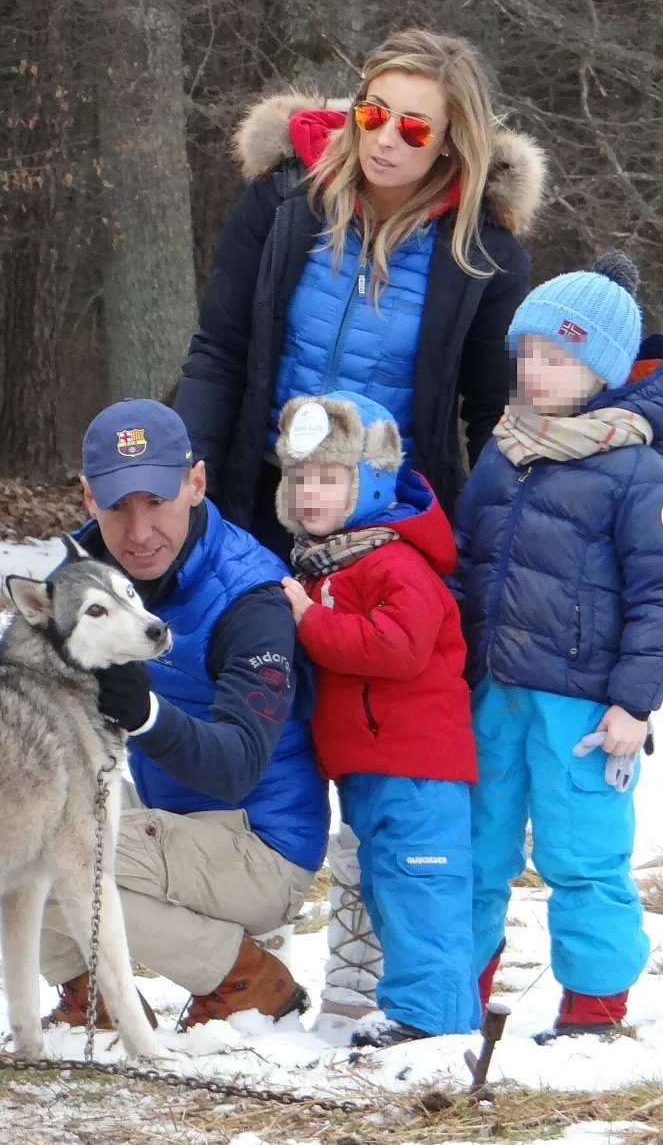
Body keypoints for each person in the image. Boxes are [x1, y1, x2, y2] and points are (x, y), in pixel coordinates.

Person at [174, 27, 546, 1023]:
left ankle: (366, 970)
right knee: (253, 722)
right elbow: (218, 348)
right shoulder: (282, 202)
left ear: (451, 140)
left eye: (413, 126)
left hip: (385, 537)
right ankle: (238, 966)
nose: (384, 139)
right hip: (263, 509)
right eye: (373, 112)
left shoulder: (484, 252)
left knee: (379, 746)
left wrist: (480, 548)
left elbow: (490, 414)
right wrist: (190, 472)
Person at [0, 400, 329, 1031]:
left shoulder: (250, 597)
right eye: (117, 506)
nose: (138, 531)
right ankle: (92, 995)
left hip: (261, 846)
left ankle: (245, 980)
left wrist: (146, 713)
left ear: (195, 483)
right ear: (88, 497)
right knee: (8, 824)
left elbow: (238, 767)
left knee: (54, 852)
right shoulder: (86, 572)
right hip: (164, 826)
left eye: (156, 500)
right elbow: (10, 670)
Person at [451, 254, 663, 1042]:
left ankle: (594, 1006)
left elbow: (660, 600)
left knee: (583, 854)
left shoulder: (641, 473)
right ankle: (457, 992)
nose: (535, 371)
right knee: (475, 847)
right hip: (495, 694)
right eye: (527, 353)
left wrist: (634, 703)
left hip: (584, 708)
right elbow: (466, 561)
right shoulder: (506, 451)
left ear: (604, 370)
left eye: (556, 357)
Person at [275, 391, 479, 1047]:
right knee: (389, 887)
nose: (311, 493)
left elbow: (398, 647)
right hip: (370, 766)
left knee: (423, 885)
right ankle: (414, 1010)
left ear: (369, 482)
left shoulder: (394, 560)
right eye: (300, 479)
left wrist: (311, 621)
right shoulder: (328, 562)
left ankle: (437, 1023)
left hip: (417, 765)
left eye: (329, 478)